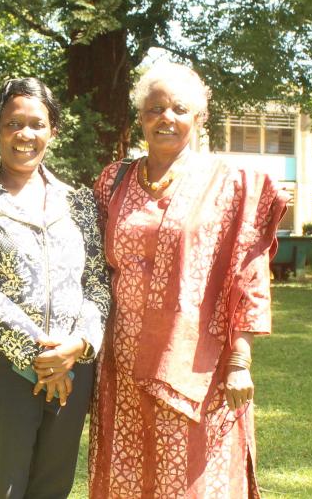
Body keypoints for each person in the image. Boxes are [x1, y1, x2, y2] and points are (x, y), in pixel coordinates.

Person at [89, 62, 288, 499]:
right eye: (154, 108)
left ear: (198, 117)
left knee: (195, 483)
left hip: (200, 370)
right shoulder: (113, 181)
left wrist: (240, 361)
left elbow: (250, 275)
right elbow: (93, 272)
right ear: (140, 117)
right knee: (126, 481)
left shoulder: (233, 184)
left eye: (179, 108)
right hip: (121, 369)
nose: (166, 118)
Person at [0, 77, 110, 499]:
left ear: (52, 130)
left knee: (52, 489)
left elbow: (99, 287)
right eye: (13, 123)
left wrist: (79, 345)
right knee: (0, 490)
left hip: (72, 371)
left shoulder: (80, 202)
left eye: (37, 123)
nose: (25, 135)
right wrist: (39, 352)